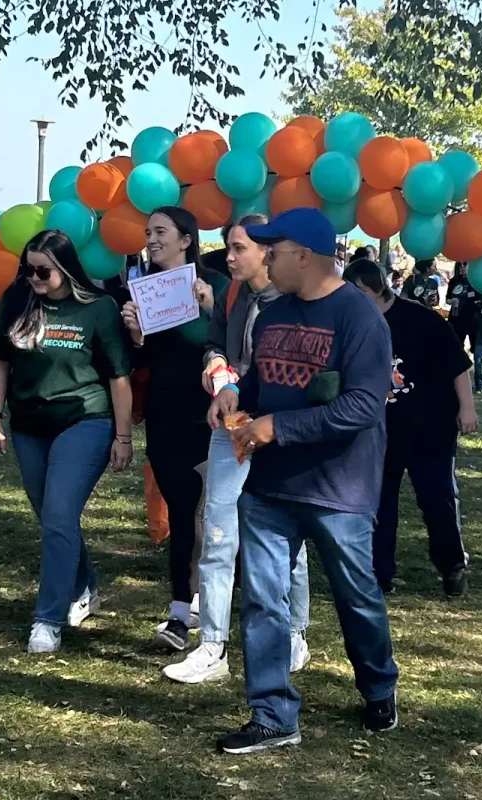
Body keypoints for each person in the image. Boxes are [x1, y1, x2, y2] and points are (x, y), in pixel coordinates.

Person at [209, 208, 398, 754]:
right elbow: (262, 382)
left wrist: (278, 427)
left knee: (356, 596)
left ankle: (378, 685)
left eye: (273, 249)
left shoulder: (359, 318)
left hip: (339, 487)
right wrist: (237, 396)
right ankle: (272, 714)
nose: (264, 257)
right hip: (270, 486)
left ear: (305, 257)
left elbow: (364, 405)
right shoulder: (271, 316)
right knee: (264, 600)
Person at [162, 215, 311, 685]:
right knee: (220, 530)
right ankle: (212, 644)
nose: (228, 257)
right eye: (228, 247)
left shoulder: (294, 301)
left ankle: (295, 633)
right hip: (232, 426)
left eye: (238, 248)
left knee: (290, 537)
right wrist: (219, 375)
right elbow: (214, 346)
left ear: (267, 251)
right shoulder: (230, 293)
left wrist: (240, 389)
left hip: (281, 430)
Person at [0, 229, 134, 653]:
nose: (34, 277)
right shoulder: (18, 300)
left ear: (65, 269)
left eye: (42, 271)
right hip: (29, 425)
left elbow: (119, 377)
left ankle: (48, 619)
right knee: (52, 518)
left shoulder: (99, 309)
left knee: (59, 515)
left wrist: (123, 436)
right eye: (28, 269)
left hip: (84, 421)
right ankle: (83, 584)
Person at [120, 207, 230, 651]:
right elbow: (138, 364)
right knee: (183, 511)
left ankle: (186, 610)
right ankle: (188, 607)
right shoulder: (142, 290)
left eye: (160, 231)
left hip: (211, 416)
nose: (151, 238)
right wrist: (137, 336)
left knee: (206, 515)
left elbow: (231, 344)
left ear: (186, 239)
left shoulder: (216, 286)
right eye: (147, 232)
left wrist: (211, 308)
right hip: (165, 417)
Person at [343, 258, 477, 597]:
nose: (356, 301)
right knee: (378, 504)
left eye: (361, 293)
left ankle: (452, 565)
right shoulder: (353, 323)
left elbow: (456, 365)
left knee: (438, 497)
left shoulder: (420, 318)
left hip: (430, 427)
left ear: (379, 289)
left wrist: (467, 408)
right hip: (378, 432)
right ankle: (378, 574)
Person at [446, 261, 479, 351]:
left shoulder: (475, 280)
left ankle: (476, 363)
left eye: (464, 265)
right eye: (460, 265)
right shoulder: (454, 281)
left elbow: (480, 298)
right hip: (456, 317)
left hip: (472, 318)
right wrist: (452, 301)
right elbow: (447, 299)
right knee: (457, 345)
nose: (462, 268)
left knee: (476, 347)